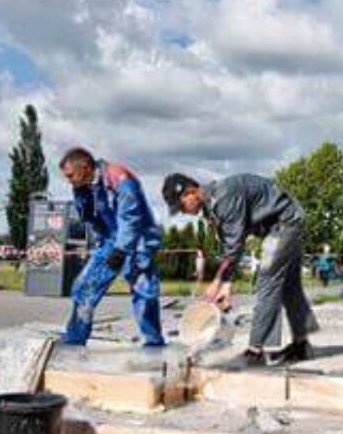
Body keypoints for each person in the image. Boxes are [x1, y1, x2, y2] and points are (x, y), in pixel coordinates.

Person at [163, 172, 318, 366]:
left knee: (267, 282)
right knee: (289, 285)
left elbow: (234, 246)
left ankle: (256, 351)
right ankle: (302, 345)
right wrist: (226, 285)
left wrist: (217, 282)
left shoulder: (225, 197)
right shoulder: (213, 205)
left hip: (286, 223)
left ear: (191, 192)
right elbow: (231, 243)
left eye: (181, 206)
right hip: (285, 221)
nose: (183, 212)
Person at [59, 147, 165, 347]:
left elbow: (131, 219)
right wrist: (80, 194)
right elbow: (91, 217)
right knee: (84, 287)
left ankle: (154, 343)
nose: (69, 180)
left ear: (85, 167)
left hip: (136, 241)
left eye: (71, 175)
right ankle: (74, 339)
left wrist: (121, 250)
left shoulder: (120, 179)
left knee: (144, 291)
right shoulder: (87, 185)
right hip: (110, 240)